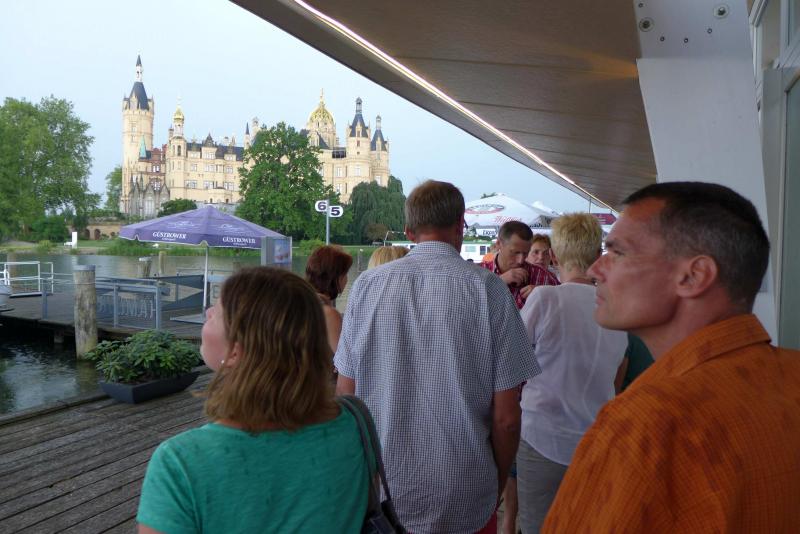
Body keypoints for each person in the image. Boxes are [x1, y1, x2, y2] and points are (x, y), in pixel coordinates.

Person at [543, 182, 800, 532]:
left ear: (693, 276)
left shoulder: (646, 422)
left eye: (617, 252)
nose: (594, 270)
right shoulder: (791, 376)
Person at [335, 180, 539, 533]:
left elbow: (346, 398)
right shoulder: (488, 290)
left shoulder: (366, 287)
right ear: (460, 225)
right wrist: (496, 484)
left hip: (386, 492)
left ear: (409, 231)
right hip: (467, 492)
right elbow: (507, 418)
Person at [137, 267, 371, 533]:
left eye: (217, 311)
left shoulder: (180, 463)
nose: (208, 313)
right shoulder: (356, 424)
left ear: (236, 352)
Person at [516, 213, 627, 533]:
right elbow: (618, 375)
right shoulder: (614, 307)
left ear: (554, 256)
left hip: (541, 437)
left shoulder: (545, 298)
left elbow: (513, 362)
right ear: (597, 256)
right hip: (595, 441)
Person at [480, 221, 559, 309]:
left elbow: (565, 303)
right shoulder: (478, 272)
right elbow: (469, 306)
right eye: (515, 252)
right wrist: (498, 282)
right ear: (498, 244)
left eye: (525, 253)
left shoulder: (544, 276)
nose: (520, 260)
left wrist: (545, 294)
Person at [305, 245, 353, 354]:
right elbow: (342, 358)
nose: (346, 279)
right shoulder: (328, 314)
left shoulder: (305, 300)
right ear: (336, 277)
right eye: (345, 274)